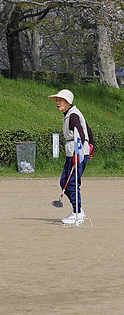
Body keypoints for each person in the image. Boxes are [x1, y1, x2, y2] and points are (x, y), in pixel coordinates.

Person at [48, 89, 95, 224]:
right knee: (64, 182)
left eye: (60, 100)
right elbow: (88, 130)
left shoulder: (73, 116)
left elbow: (81, 135)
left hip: (77, 153)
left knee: (72, 183)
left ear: (68, 102)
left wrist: (79, 153)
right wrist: (91, 148)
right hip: (74, 153)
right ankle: (78, 210)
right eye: (57, 100)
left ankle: (77, 212)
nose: (57, 103)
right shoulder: (70, 114)